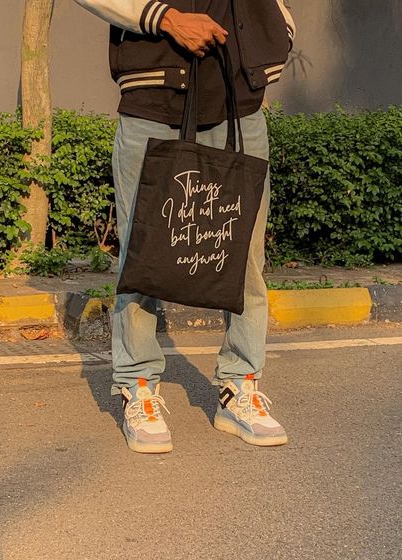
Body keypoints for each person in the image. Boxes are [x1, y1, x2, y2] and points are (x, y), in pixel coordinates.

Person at [73, 0, 296, 453]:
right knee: (143, 258)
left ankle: (240, 386)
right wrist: (167, 18)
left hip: (240, 101)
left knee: (244, 257)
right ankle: (137, 386)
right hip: (153, 103)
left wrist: (278, 30)